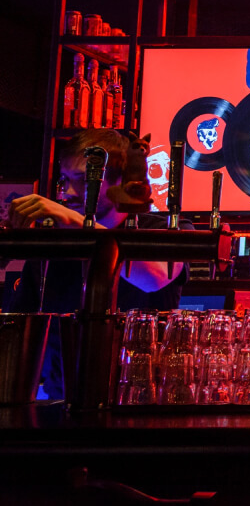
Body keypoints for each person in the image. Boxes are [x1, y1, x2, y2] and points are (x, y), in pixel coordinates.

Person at [6, 129, 190, 399]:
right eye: (65, 180)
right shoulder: (54, 243)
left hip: (143, 400)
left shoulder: (163, 229)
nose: (68, 192)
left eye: (84, 179)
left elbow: (154, 278)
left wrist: (75, 222)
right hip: (63, 402)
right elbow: (18, 332)